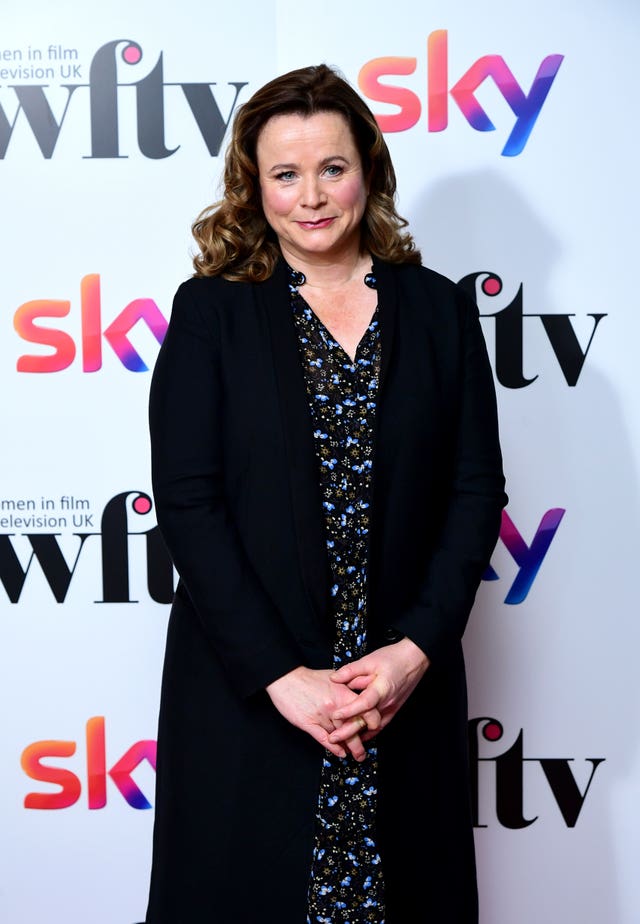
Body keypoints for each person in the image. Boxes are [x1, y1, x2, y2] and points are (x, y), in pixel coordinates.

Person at [145, 63, 507, 924]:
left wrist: (413, 652)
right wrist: (282, 677)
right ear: (254, 185)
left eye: (331, 168)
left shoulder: (438, 311)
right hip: (254, 698)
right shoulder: (212, 312)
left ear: (368, 170)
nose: (312, 196)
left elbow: (475, 489)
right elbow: (188, 504)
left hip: (397, 699)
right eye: (285, 173)